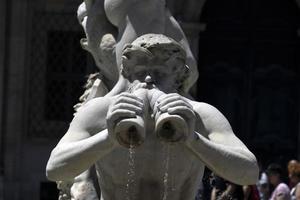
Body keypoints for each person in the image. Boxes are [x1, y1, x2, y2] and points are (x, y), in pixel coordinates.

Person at [46, 34, 258, 200]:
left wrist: (194, 139)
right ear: (127, 74)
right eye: (140, 72)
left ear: (178, 76)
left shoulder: (199, 114)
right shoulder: (101, 112)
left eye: (160, 73)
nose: (148, 80)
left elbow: (249, 173)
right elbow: (55, 169)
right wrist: (109, 137)